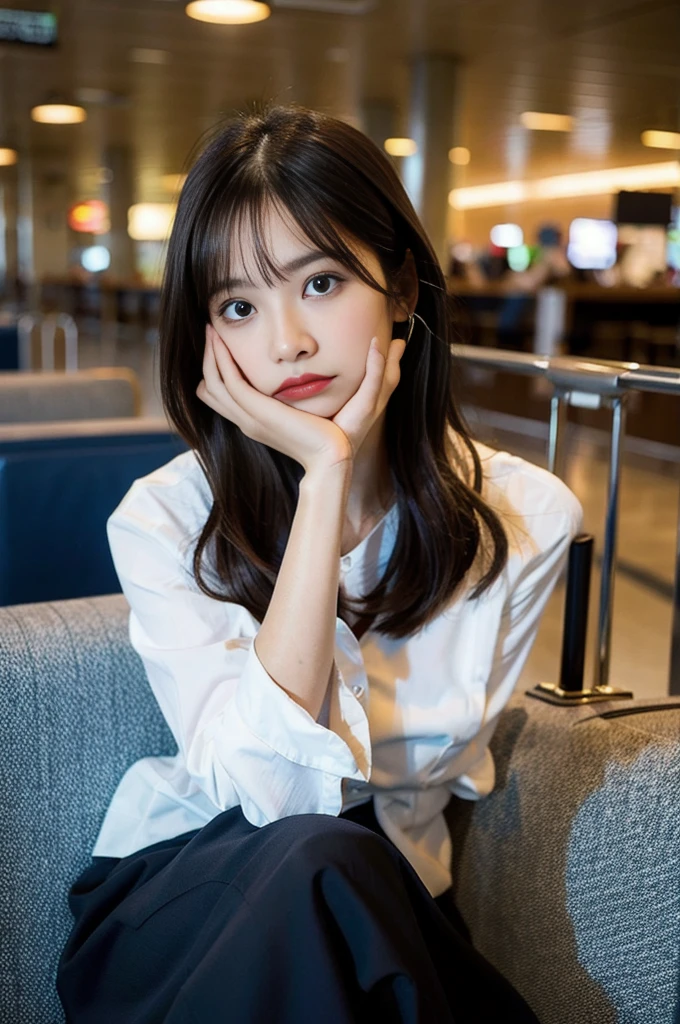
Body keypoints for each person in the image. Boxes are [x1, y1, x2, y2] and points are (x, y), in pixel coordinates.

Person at [56, 104, 582, 1023]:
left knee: (337, 873)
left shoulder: (525, 518)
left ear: (405, 291)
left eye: (324, 283)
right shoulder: (163, 518)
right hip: (187, 901)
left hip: (379, 914)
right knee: (316, 855)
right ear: (206, 334)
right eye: (239, 306)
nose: (287, 342)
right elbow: (269, 797)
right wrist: (325, 478)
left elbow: (414, 804)